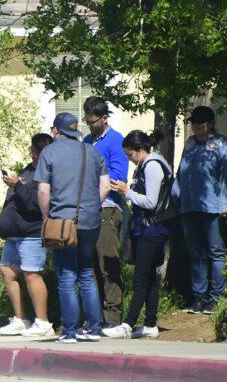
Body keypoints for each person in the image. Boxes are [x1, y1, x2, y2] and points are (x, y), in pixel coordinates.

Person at [35, 112, 110, 343]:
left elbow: (43, 191)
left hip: (62, 221)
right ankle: (94, 328)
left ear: (56, 131)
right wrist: (90, 206)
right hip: (90, 221)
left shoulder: (49, 152)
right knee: (86, 272)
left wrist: (48, 216)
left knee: (67, 275)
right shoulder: (92, 152)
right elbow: (105, 185)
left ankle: (69, 331)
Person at [104, 130, 173, 338]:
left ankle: (127, 324)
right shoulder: (146, 164)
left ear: (140, 150)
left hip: (153, 229)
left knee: (141, 277)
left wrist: (127, 192)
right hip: (149, 228)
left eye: (131, 155)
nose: (130, 160)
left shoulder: (152, 166)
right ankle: (150, 324)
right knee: (150, 276)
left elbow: (151, 202)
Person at [174, 105, 227, 314]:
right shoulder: (190, 144)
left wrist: (225, 204)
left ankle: (216, 298)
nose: (194, 126)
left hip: (213, 209)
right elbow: (180, 173)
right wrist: (177, 197)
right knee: (195, 253)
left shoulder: (222, 145)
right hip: (189, 207)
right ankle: (199, 297)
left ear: (209, 124)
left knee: (215, 253)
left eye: (198, 122)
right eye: (192, 122)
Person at [0, 133, 55, 337]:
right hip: (14, 233)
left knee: (32, 273)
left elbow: (34, 203)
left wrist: (17, 186)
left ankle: (44, 322)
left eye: (35, 153)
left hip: (31, 232)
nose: (33, 156)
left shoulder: (47, 173)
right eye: (32, 152)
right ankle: (21, 319)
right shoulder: (29, 170)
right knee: (7, 271)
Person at [82, 98, 129, 328]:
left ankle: (112, 319)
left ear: (104, 118)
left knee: (107, 264)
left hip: (108, 208)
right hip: (87, 210)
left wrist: (94, 183)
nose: (90, 126)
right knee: (88, 267)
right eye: (87, 122)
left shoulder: (115, 141)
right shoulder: (86, 141)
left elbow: (118, 177)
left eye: (93, 122)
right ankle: (95, 319)